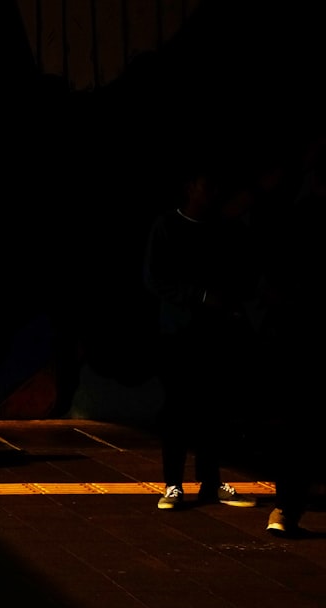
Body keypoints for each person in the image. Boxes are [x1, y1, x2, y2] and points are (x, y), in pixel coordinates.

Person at [143, 158, 259, 510]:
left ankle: (210, 481)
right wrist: (202, 296)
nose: (213, 193)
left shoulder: (224, 229)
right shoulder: (166, 226)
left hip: (215, 334)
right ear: (190, 187)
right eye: (207, 185)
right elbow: (154, 279)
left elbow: (241, 275)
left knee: (214, 409)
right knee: (179, 408)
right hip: (178, 335)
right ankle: (173, 484)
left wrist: (232, 306)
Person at [252, 140, 326, 535]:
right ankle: (288, 505)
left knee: (296, 424)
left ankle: (287, 506)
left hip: (296, 331)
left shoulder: (294, 215)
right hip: (300, 330)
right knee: (300, 422)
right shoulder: (298, 217)